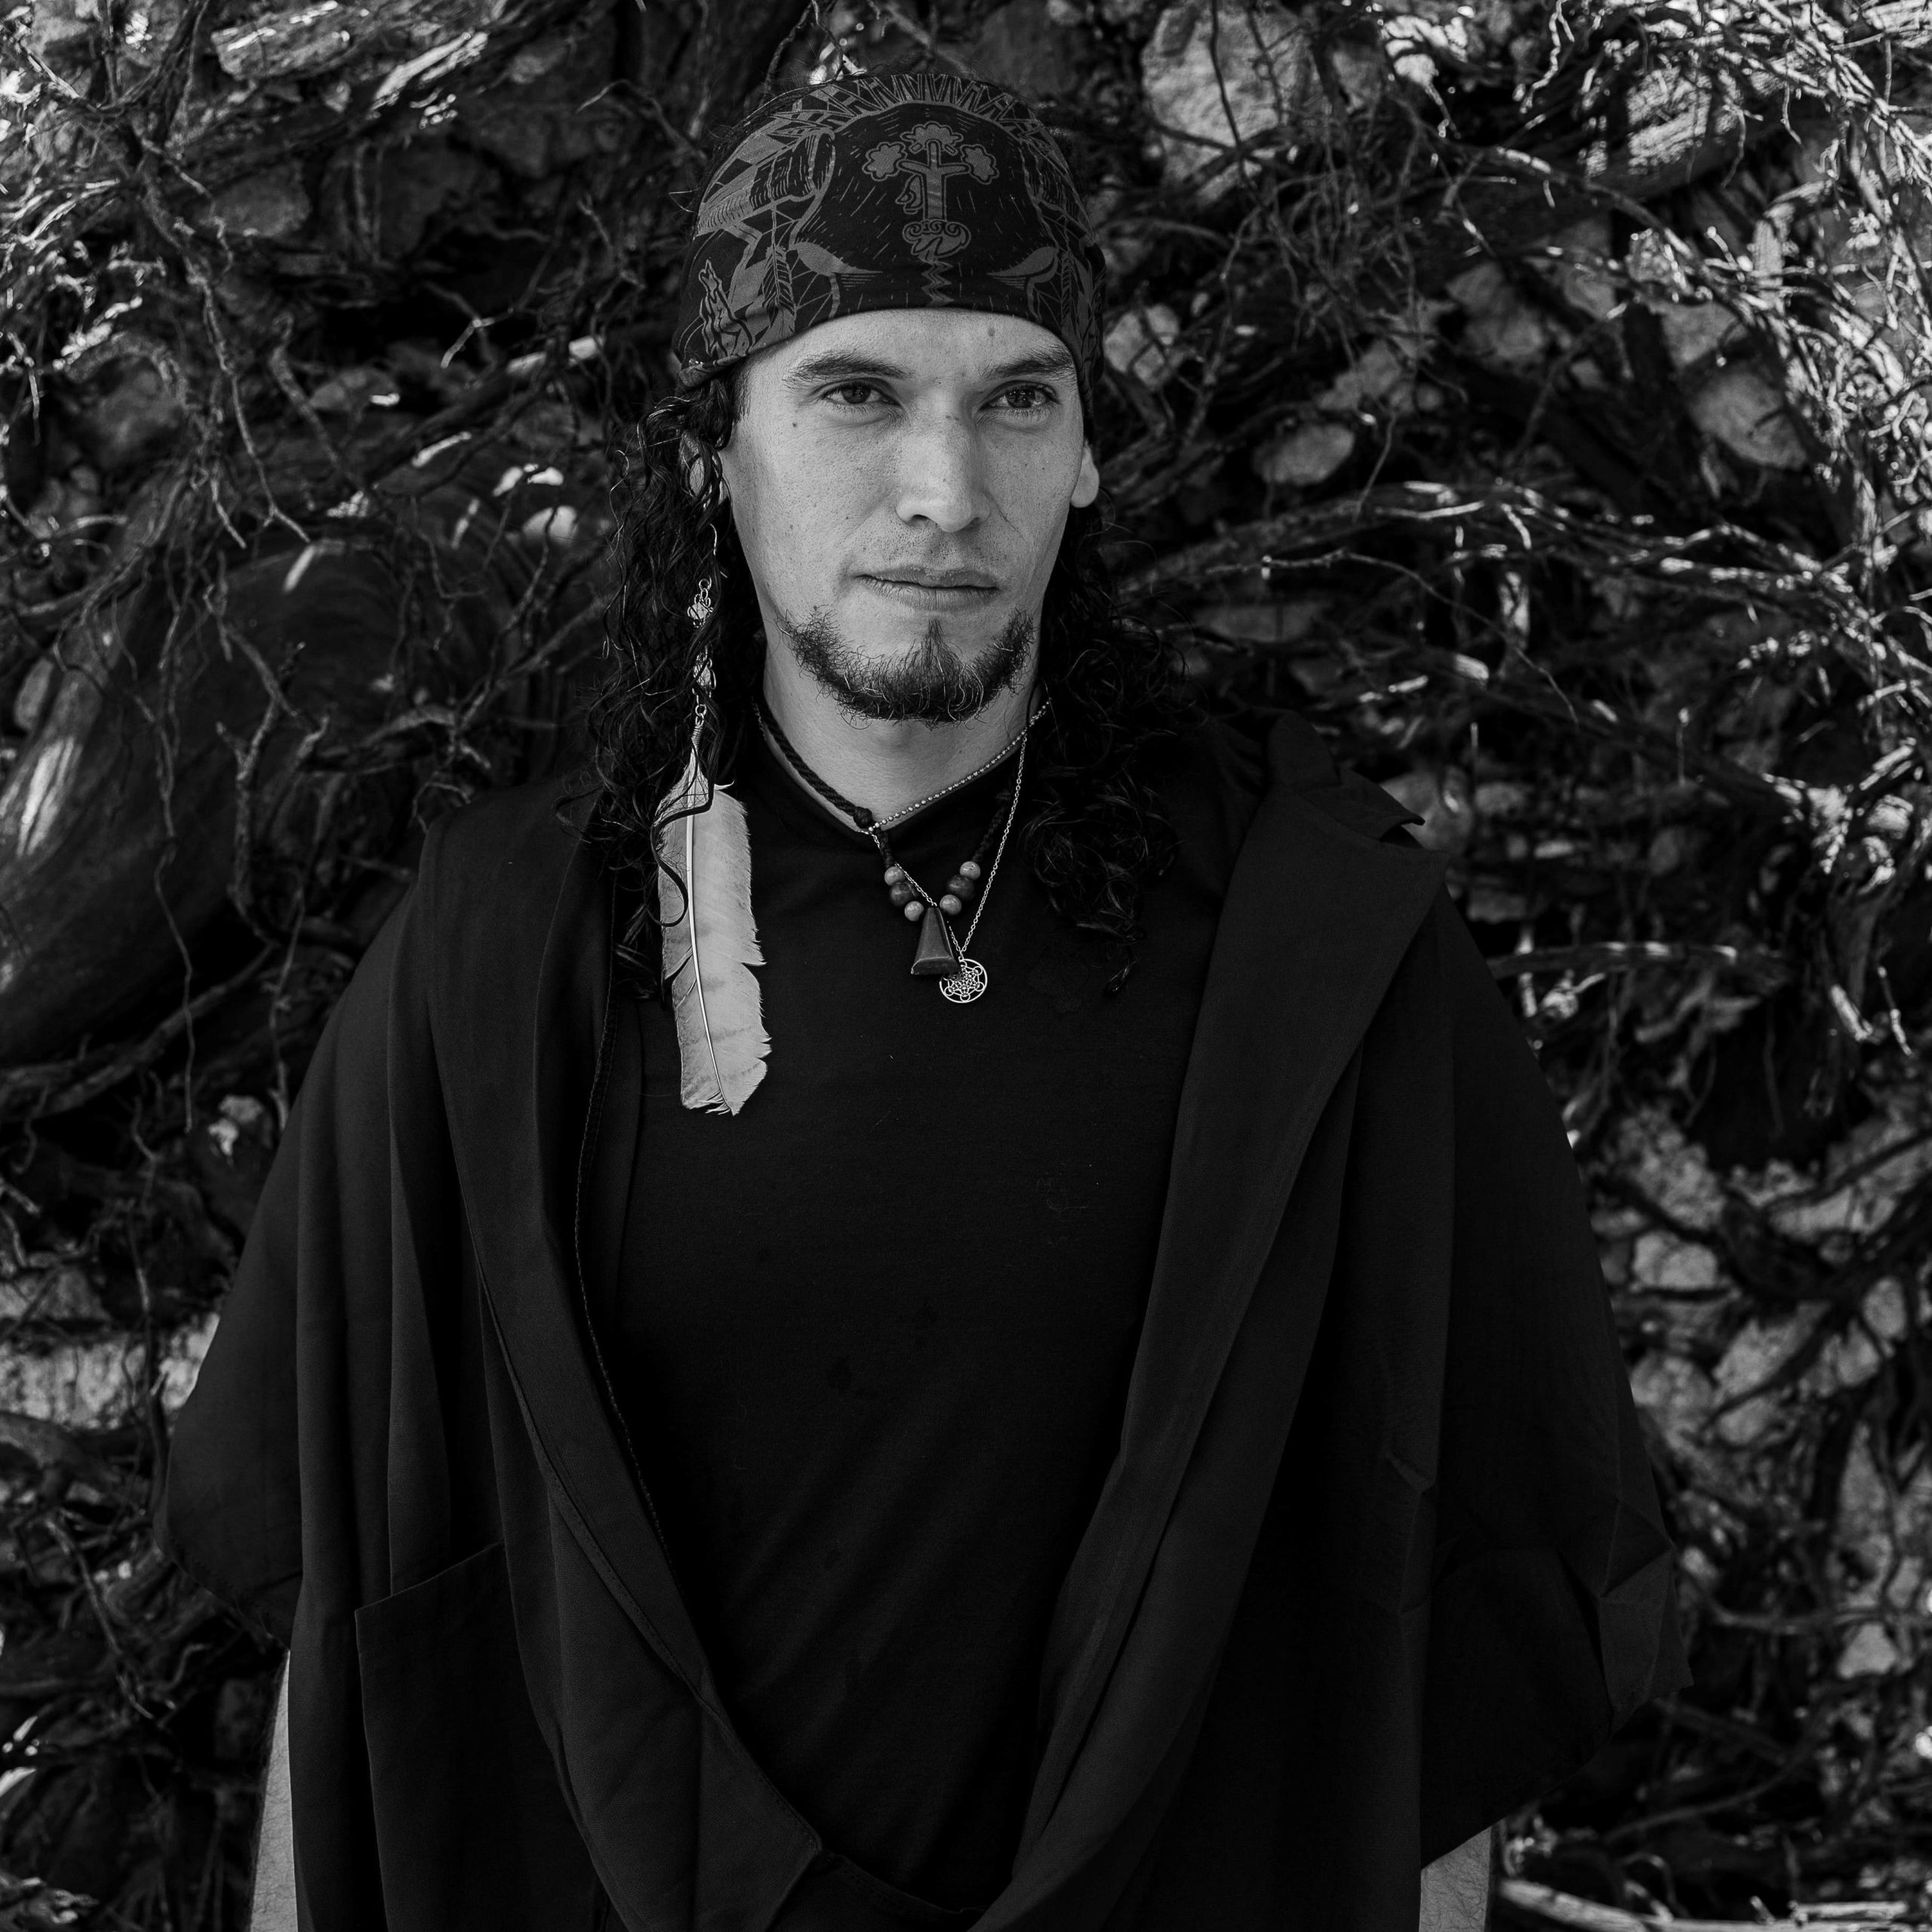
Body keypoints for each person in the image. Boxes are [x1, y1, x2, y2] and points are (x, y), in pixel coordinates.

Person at [159, 69, 1685, 1932]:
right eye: (856, 392)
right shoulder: (496, 969)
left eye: (1016, 398)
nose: (945, 492)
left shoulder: (1318, 963)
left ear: (1088, 452)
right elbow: (364, 1633)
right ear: (712, 451)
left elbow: (1430, 1670)